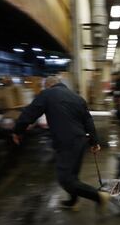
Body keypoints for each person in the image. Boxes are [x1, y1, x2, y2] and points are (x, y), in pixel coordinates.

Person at [12, 76, 110, 211]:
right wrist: (94, 142)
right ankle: (73, 201)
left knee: (65, 179)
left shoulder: (47, 94)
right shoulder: (77, 97)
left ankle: (98, 196)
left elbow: (29, 113)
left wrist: (18, 131)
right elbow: (88, 121)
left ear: (48, 85)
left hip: (66, 142)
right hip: (80, 141)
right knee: (73, 175)